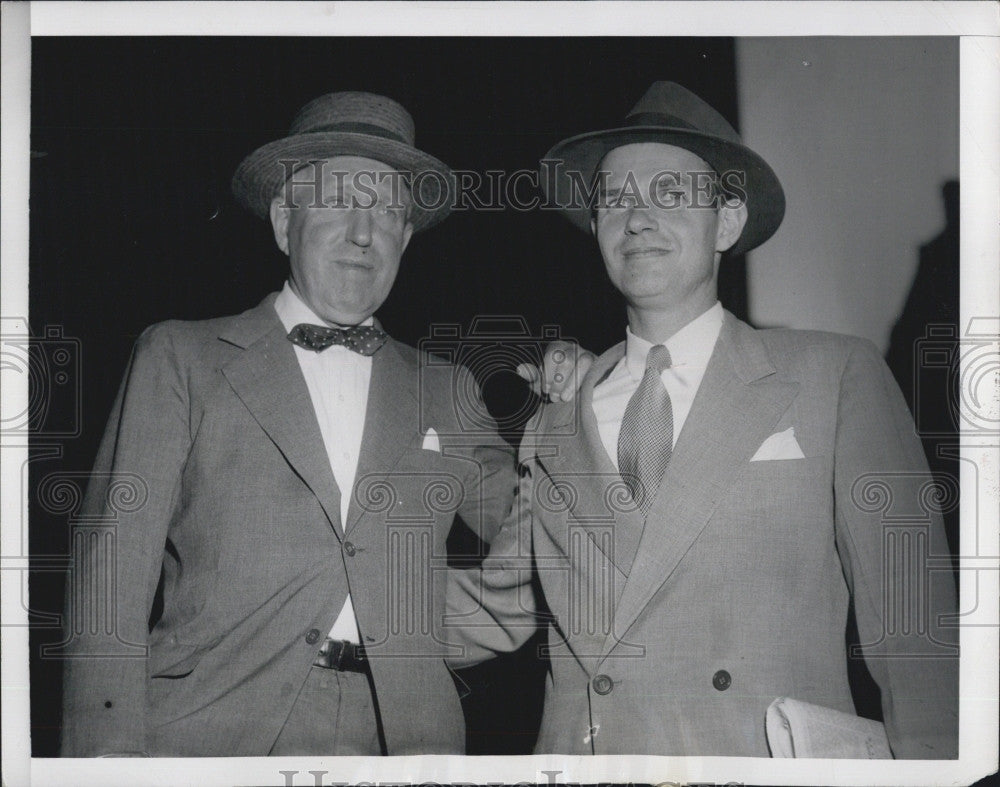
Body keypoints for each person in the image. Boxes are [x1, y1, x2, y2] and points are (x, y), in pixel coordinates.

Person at [449, 82, 959, 758]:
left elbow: (915, 627)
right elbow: (499, 603)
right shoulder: (557, 415)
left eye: (670, 194)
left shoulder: (833, 376)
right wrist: (319, 614)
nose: (637, 218)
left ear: (726, 222)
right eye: (616, 199)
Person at [60, 91, 569, 757]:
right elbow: (109, 580)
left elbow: (544, 548)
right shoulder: (182, 357)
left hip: (402, 745)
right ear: (283, 219)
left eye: (387, 211)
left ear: (406, 237)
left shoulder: (447, 388)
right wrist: (103, 761)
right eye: (339, 202)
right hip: (208, 732)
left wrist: (571, 418)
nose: (364, 232)